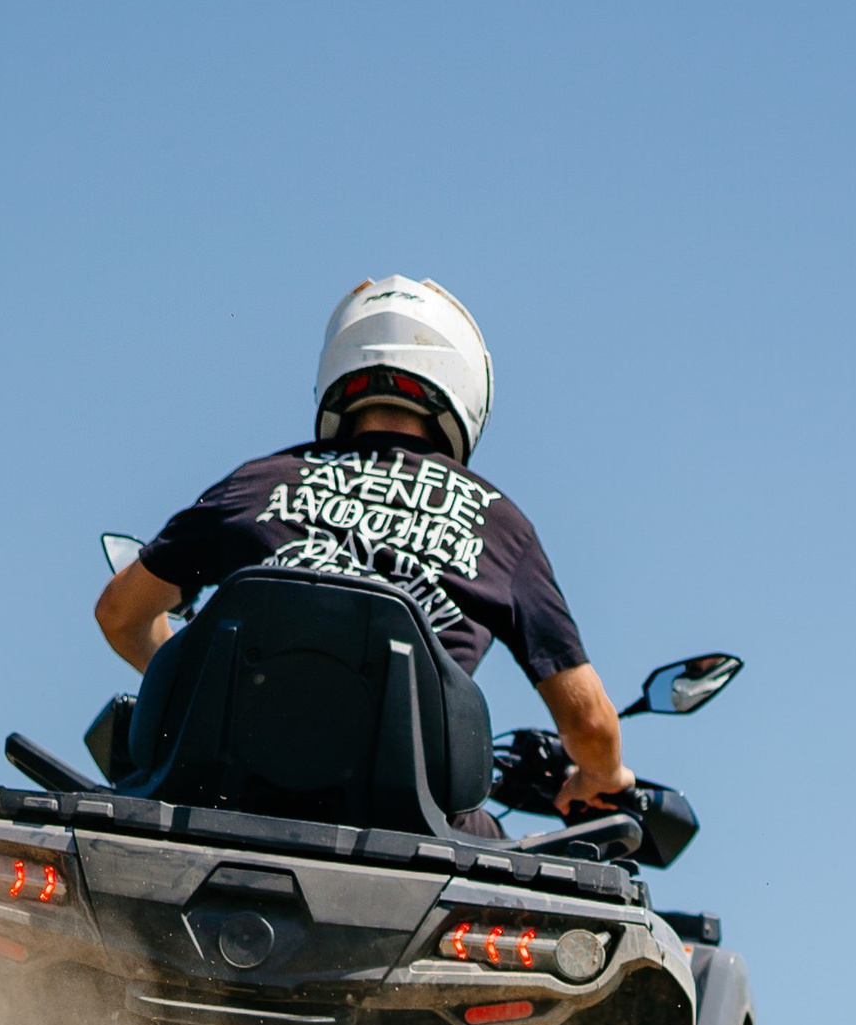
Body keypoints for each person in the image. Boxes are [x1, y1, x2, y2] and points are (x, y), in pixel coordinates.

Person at [93, 275, 636, 810]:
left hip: (225, 801)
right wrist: (602, 776)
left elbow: (120, 613)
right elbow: (588, 720)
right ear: (466, 384)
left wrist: (198, 693)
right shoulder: (497, 522)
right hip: (407, 826)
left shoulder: (258, 483)